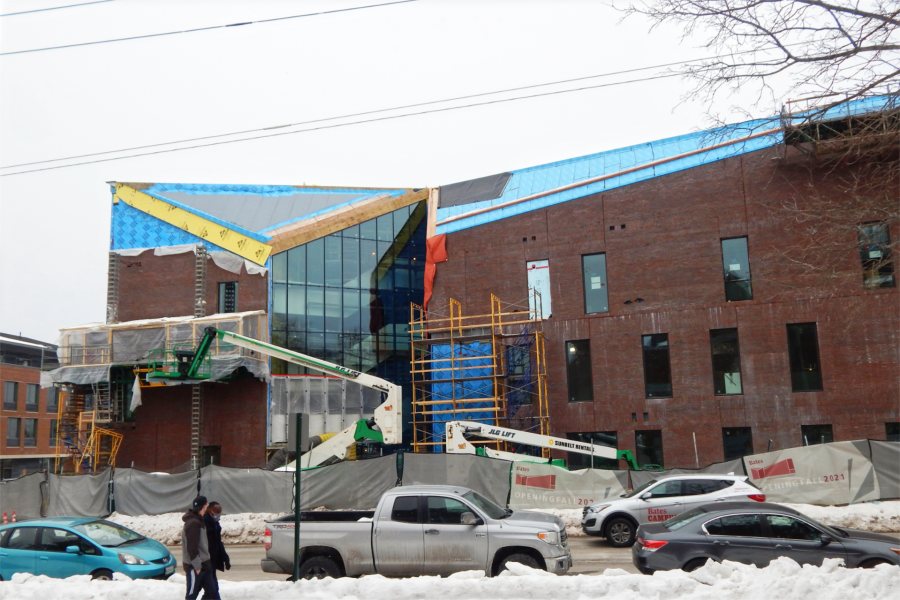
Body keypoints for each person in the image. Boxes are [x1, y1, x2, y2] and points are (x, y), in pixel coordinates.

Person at [182, 495, 217, 600]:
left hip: (205, 565)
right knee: (191, 596)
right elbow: (192, 547)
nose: (207, 506)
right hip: (195, 567)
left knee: (212, 593)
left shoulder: (198, 520)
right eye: (206, 504)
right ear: (204, 506)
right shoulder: (193, 523)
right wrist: (197, 565)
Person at [203, 501, 231, 598]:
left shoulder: (215, 524)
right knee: (213, 590)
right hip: (206, 561)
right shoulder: (204, 523)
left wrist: (225, 558)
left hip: (213, 561)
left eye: (220, 512)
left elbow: (218, 543)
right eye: (217, 512)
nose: (218, 515)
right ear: (210, 511)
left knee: (212, 590)